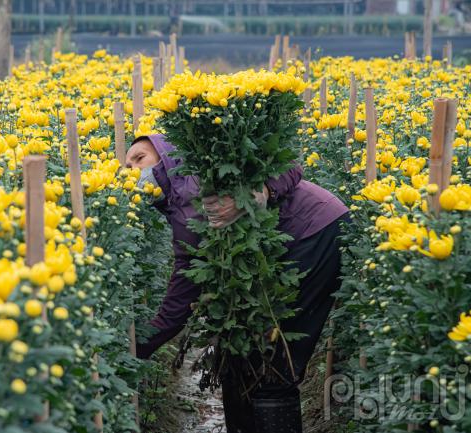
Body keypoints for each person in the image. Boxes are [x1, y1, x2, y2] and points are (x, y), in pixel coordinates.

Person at [126, 133, 349, 433]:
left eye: (139, 158)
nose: (134, 172)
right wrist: (134, 348)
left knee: (275, 360)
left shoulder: (208, 169)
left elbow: (289, 165)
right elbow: (182, 294)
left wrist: (258, 192)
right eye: (126, 168)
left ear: (166, 154)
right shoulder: (180, 214)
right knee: (245, 356)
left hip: (315, 232)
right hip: (287, 249)